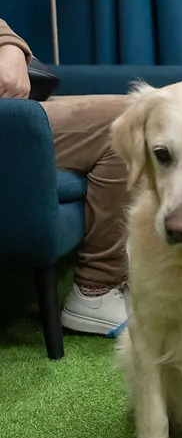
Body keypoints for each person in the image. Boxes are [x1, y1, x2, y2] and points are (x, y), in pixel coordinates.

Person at [0, 20, 130, 337]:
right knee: (126, 123)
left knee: (141, 114)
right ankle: (96, 291)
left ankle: (116, 278)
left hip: (14, 107)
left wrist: (11, 47)